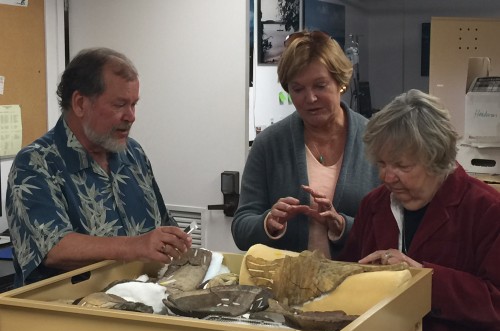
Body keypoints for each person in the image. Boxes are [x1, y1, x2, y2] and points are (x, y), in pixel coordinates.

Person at [6, 47, 192, 288]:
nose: (131, 116)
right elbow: (54, 248)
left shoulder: (133, 154)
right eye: (120, 104)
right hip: (70, 317)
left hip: (144, 308)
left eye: (134, 104)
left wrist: (175, 241)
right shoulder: (35, 163)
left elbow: (162, 222)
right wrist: (136, 246)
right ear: (80, 103)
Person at [340, 89, 500, 331]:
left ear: (437, 159)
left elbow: (495, 304)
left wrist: (421, 279)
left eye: (402, 166)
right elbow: (347, 281)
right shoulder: (373, 205)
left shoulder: (486, 210)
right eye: (381, 163)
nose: (387, 177)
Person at [231, 30, 380, 259]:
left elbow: (395, 229)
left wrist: (342, 225)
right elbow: (241, 228)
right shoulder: (269, 144)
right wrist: (268, 223)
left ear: (340, 82)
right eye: (298, 89)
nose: (309, 98)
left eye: (320, 86)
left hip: (358, 287)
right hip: (286, 288)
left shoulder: (375, 141)